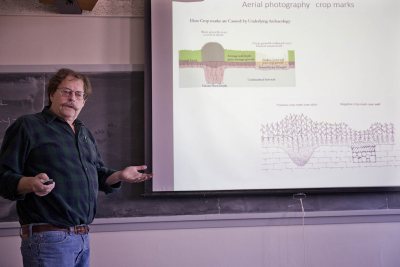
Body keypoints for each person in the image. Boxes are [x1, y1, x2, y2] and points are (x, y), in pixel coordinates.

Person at [0, 68, 152, 267]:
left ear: (84, 101)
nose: (72, 98)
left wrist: (120, 175)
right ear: (51, 94)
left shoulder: (84, 133)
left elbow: (97, 174)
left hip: (82, 238)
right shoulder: (28, 126)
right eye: (66, 91)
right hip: (48, 239)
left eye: (78, 94)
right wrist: (30, 183)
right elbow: (3, 177)